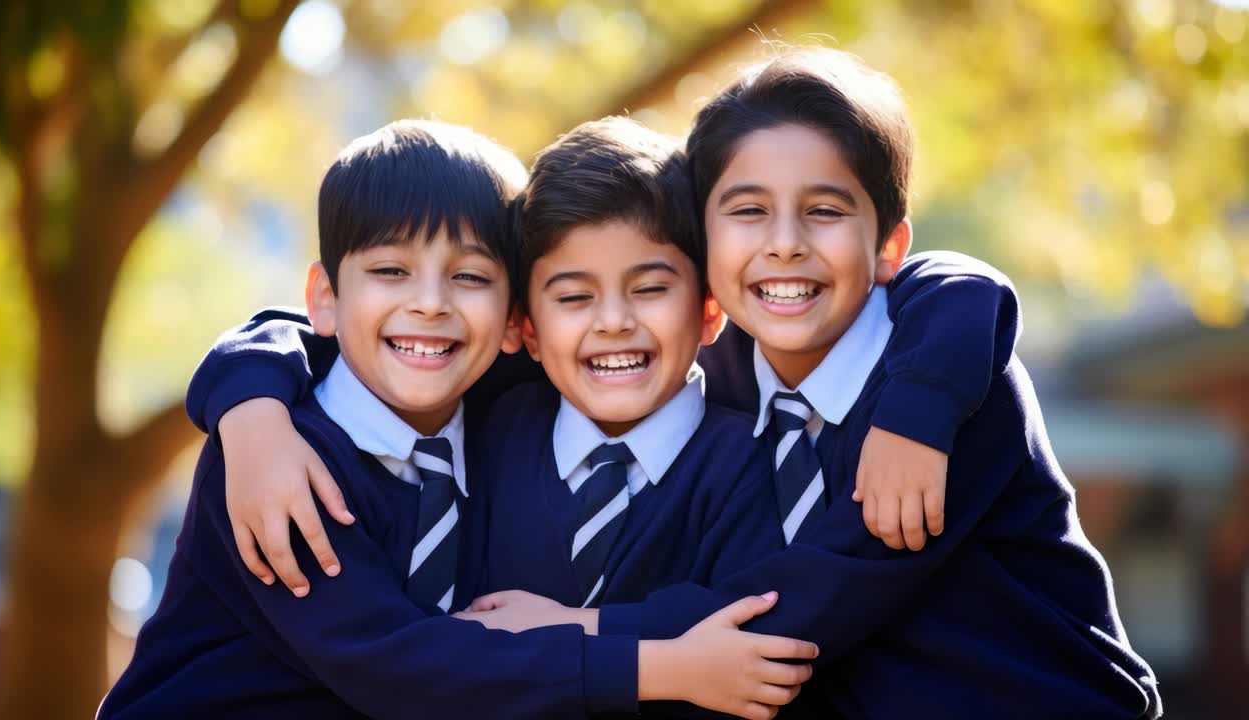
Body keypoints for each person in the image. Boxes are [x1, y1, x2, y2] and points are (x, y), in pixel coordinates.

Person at [476, 48, 1162, 719]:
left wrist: (584, 627)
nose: (784, 243)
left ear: (888, 246)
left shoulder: (947, 389)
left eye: (825, 212)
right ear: (703, 247)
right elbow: (510, 345)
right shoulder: (724, 367)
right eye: (747, 211)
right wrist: (367, 427)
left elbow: (802, 605)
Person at [98, 119, 817, 720]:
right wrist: (249, 409)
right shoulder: (284, 466)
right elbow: (398, 665)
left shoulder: (497, 402)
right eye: (390, 272)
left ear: (514, 322)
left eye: (469, 277)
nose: (431, 305)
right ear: (326, 298)